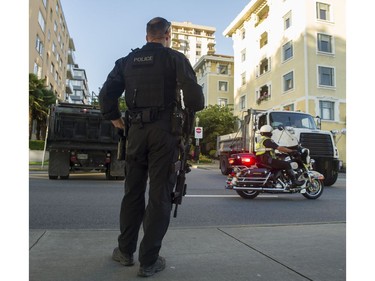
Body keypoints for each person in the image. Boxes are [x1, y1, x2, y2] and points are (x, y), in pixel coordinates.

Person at [98, 17, 204, 277]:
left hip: (134, 133)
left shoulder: (126, 62)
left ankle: (124, 252)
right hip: (164, 135)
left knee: (132, 192)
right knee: (159, 196)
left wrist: (118, 121)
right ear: (167, 34)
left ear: (147, 36)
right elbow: (195, 100)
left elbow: (106, 96)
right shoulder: (175, 59)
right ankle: (148, 261)